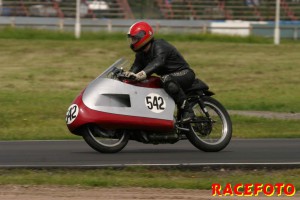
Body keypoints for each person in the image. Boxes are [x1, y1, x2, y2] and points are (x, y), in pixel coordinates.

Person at [124, 21, 196, 122]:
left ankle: (188, 111)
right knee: (147, 83)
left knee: (166, 79)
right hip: (167, 78)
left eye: (134, 38)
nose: (132, 42)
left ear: (143, 36)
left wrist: (143, 74)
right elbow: (136, 67)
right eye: (132, 39)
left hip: (184, 73)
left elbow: (158, 62)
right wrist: (127, 75)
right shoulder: (141, 54)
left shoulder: (159, 45)